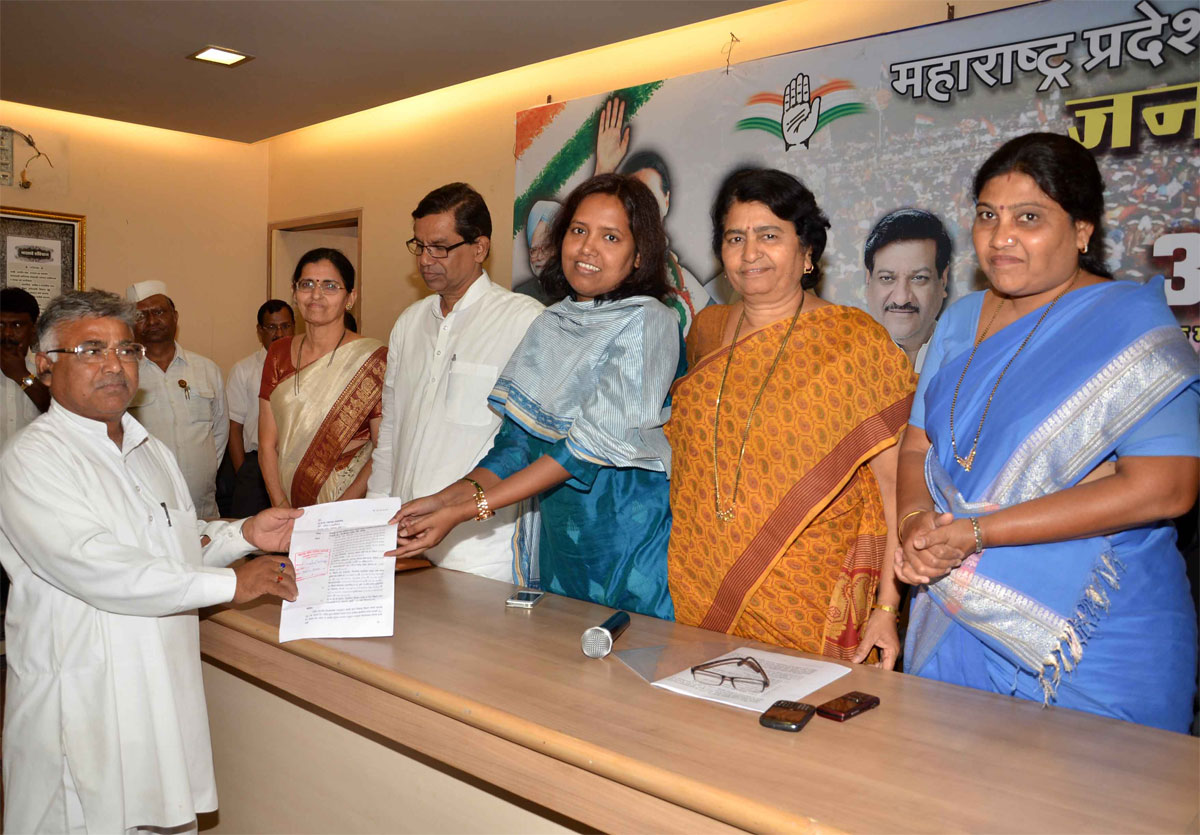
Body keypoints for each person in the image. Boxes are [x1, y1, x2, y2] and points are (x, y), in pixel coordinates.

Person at [896, 133, 1199, 732]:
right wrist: (912, 524)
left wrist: (977, 533)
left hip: (1094, 633)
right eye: (988, 215)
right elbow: (917, 445)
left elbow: (1167, 487)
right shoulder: (958, 319)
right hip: (956, 601)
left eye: (1028, 218)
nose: (1000, 236)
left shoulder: (1128, 322)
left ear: (1082, 230)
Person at [0, 289, 301, 834]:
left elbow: (175, 540)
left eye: (126, 350)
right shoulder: (30, 460)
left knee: (159, 816)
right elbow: (103, 569)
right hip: (85, 691)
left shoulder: (150, 450)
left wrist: (244, 533)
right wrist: (231, 585)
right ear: (45, 366)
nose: (115, 365)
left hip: (156, 680)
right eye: (91, 350)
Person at [391, 174, 679, 618]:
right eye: (579, 230)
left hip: (625, 539)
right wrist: (442, 500)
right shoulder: (551, 322)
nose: (587, 248)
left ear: (639, 254)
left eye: (611, 237)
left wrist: (468, 509)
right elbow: (516, 446)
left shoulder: (649, 320)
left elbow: (586, 449)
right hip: (556, 537)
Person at [666, 168, 915, 666]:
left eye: (769, 236)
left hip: (809, 598)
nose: (750, 252)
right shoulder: (707, 332)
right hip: (698, 586)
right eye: (735, 237)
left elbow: (894, 489)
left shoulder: (854, 343)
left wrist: (888, 605)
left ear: (807, 253)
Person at [366, 183, 542, 580]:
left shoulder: (524, 321)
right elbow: (391, 431)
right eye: (419, 245)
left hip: (480, 550)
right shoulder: (410, 323)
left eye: (440, 247)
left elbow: (525, 446)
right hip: (405, 541)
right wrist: (378, 515)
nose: (426, 260)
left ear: (479, 248)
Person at [259, 248, 386, 508]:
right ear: (294, 293)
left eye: (330, 286)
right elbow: (266, 443)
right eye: (307, 284)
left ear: (350, 297)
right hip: (287, 504)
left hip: (346, 503)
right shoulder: (278, 353)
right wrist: (281, 506)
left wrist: (336, 512)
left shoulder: (373, 359)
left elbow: (382, 449)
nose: (316, 295)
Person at [593, 96, 715, 327]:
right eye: (634, 199)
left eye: (650, 199)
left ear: (666, 201)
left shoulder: (685, 286)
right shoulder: (604, 265)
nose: (642, 209)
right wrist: (603, 169)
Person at [126, 280, 228, 518]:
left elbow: (219, 432)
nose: (152, 321)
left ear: (175, 316)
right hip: (146, 509)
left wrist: (201, 472)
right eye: (141, 315)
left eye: (159, 312)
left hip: (202, 508)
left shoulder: (207, 369)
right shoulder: (124, 374)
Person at [225, 299, 294, 516]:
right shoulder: (243, 370)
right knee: (252, 540)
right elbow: (234, 428)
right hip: (255, 467)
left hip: (295, 461)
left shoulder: (307, 366)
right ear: (259, 331)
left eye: (285, 326)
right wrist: (243, 474)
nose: (279, 333)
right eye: (272, 327)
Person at [863, 208, 952, 371]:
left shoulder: (969, 363)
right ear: (868, 280)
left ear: (943, 281)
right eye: (887, 278)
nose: (901, 299)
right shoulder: (839, 366)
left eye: (919, 278)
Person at [1, 286, 49, 447]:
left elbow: (62, 414)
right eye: (0, 325)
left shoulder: (48, 370)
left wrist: (23, 376)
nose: (7, 333)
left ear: (33, 330)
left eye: (17, 325)